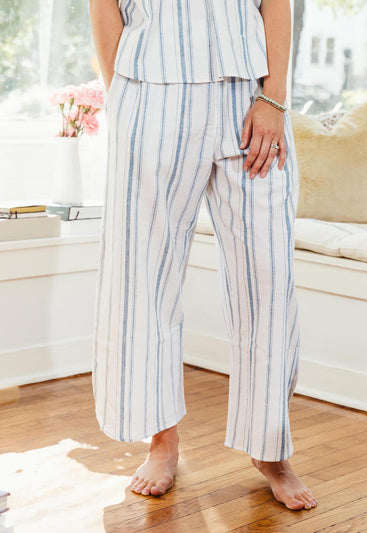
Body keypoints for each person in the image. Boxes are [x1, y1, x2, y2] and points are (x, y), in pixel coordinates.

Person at [89, 0, 318, 511]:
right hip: (152, 95)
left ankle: (269, 447)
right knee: (141, 275)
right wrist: (121, 101)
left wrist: (275, 98)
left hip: (250, 96)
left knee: (268, 276)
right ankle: (161, 441)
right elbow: (103, 6)